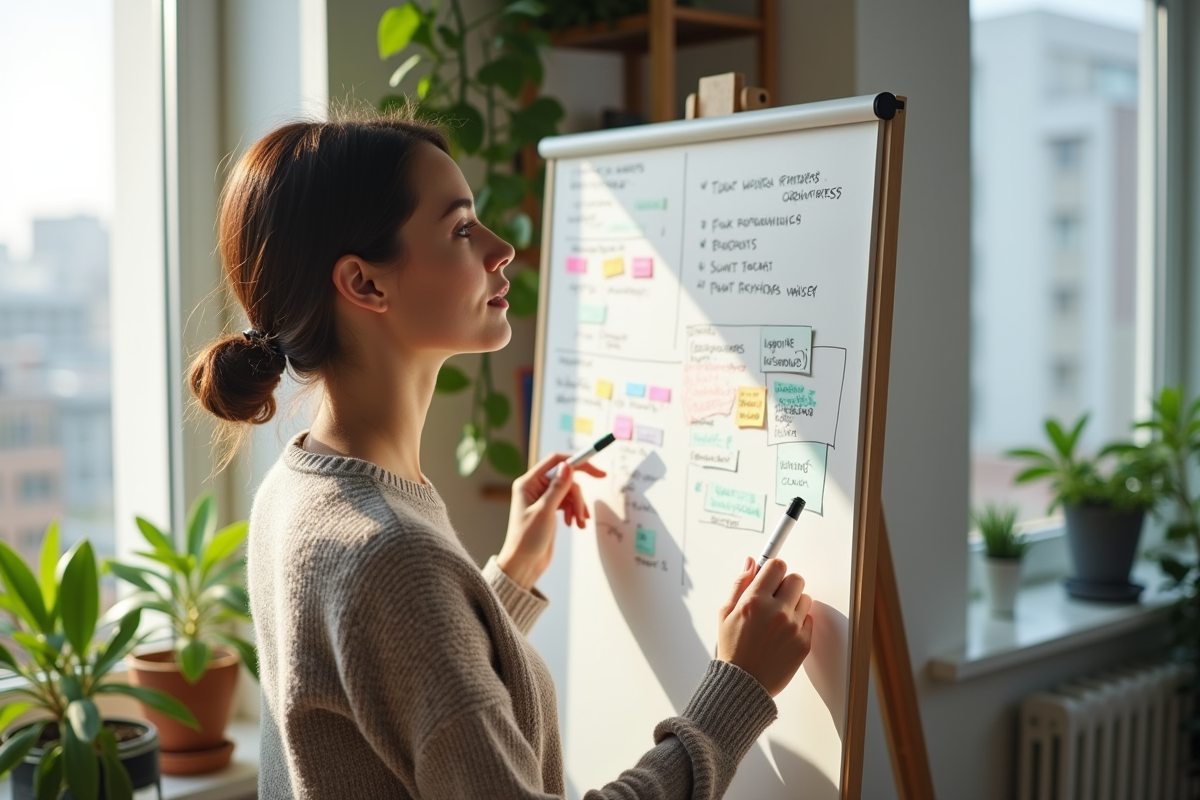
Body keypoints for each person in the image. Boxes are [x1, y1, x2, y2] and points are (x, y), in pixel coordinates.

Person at [190, 112, 815, 799]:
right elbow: (402, 612)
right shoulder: (393, 556)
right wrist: (735, 692)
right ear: (365, 284)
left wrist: (508, 582)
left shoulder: (294, 488)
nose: (499, 250)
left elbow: (398, 695)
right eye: (460, 229)